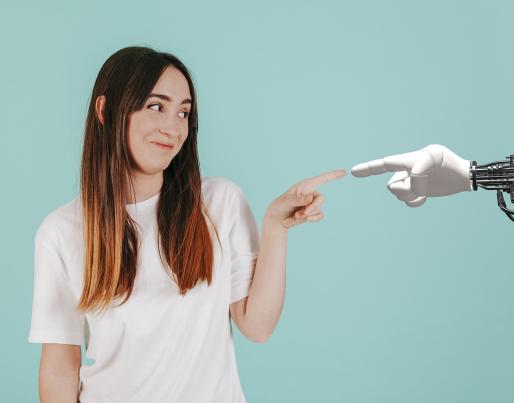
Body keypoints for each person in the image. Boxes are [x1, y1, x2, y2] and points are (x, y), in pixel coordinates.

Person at [28, 46, 346, 403]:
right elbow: (58, 368)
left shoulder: (219, 203)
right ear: (105, 110)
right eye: (155, 106)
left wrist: (276, 228)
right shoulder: (61, 231)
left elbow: (257, 327)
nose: (173, 126)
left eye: (183, 113)